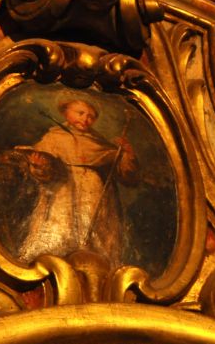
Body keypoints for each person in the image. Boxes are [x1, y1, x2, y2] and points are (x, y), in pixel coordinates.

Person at [17, 98, 138, 267]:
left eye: (91, 116)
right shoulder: (53, 137)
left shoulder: (99, 142)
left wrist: (126, 154)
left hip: (95, 196)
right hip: (62, 193)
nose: (85, 119)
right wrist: (40, 165)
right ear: (65, 112)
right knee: (61, 234)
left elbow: (127, 175)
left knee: (96, 237)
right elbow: (45, 173)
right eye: (80, 113)